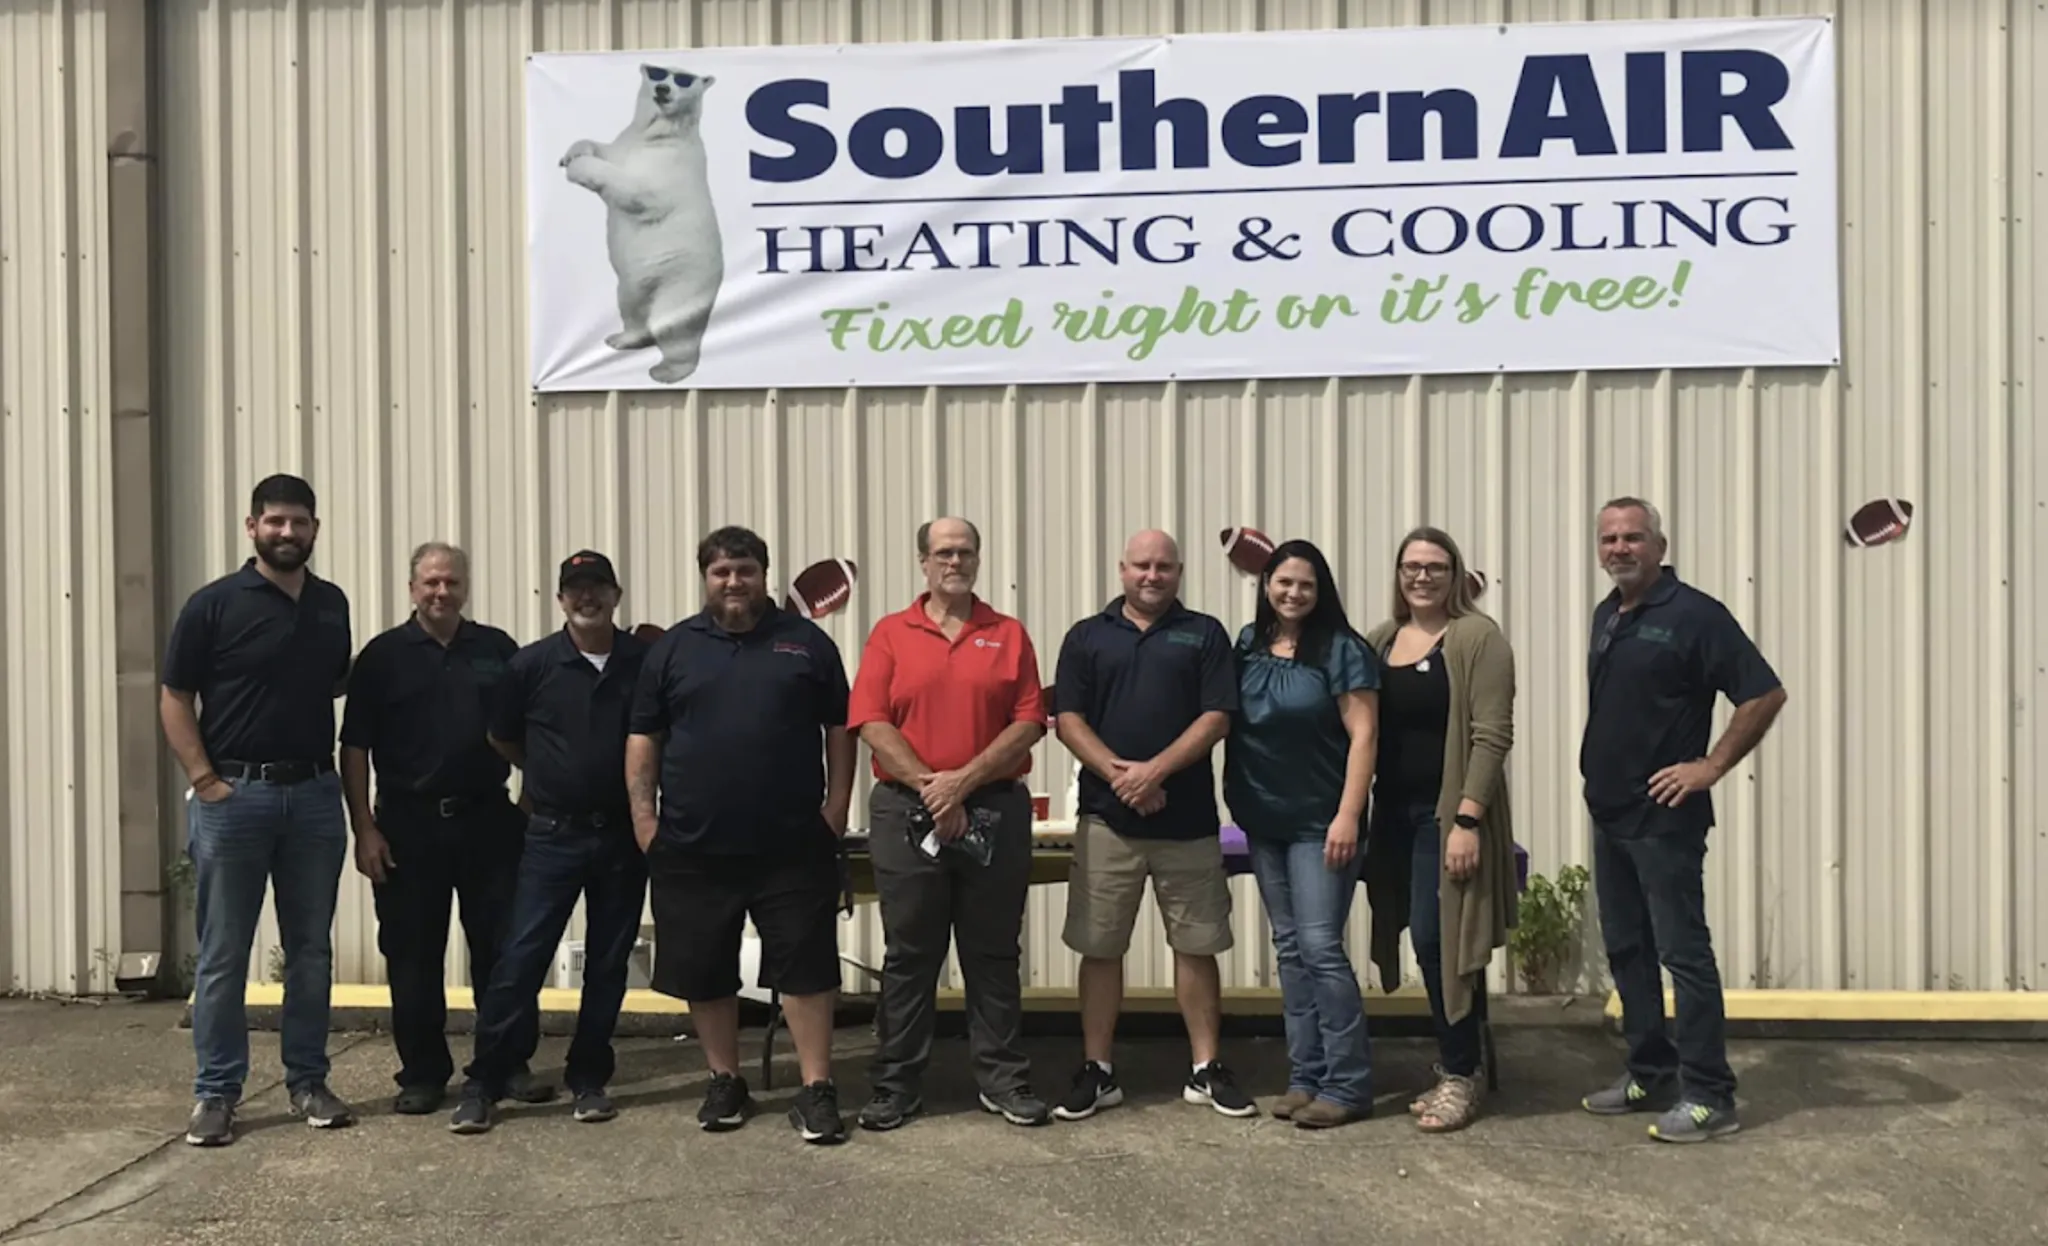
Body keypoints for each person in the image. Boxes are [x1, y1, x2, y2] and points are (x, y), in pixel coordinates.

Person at [626, 526, 857, 1145]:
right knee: (706, 971)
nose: (734, 582)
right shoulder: (673, 650)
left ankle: (816, 1088)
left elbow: (841, 727)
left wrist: (835, 808)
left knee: (807, 969)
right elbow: (644, 737)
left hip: (792, 844)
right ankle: (725, 1079)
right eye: (722, 571)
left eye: (746, 570)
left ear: (764, 575)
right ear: (706, 577)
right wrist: (645, 821)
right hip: (694, 845)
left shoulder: (806, 643)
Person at [1578, 498, 1786, 1144]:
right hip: (1611, 813)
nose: (1620, 548)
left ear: (1659, 547)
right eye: (1609, 538)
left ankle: (1709, 1094)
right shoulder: (1608, 614)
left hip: (1664, 820)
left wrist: (1711, 766)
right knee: (1627, 949)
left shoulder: (1696, 615)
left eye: (1633, 537)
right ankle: (1650, 1071)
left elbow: (1764, 692)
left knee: (1683, 955)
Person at [160, 473, 356, 1146]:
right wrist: (204, 778)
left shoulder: (331, 603)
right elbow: (175, 696)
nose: (287, 532)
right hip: (235, 798)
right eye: (274, 521)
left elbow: (334, 681)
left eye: (298, 521)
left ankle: (308, 1082)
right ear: (252, 528)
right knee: (223, 953)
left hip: (314, 796)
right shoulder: (213, 605)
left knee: (311, 951)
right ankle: (216, 1094)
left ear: (315, 530)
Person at [845, 517, 1050, 1131]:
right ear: (923, 562)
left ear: (978, 560)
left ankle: (1004, 1080)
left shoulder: (1008, 634)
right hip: (905, 809)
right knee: (911, 951)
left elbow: (1029, 721)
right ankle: (896, 1084)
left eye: (964, 552)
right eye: (942, 553)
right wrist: (934, 788)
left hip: (994, 808)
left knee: (993, 951)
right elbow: (871, 720)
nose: (954, 562)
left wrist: (962, 782)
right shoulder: (890, 633)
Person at [338, 541, 552, 1115]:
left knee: (504, 952)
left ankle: (508, 1064)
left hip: (488, 821)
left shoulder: (497, 650)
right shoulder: (382, 657)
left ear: (465, 587)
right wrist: (364, 829)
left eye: (452, 582)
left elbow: (532, 728)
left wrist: (530, 802)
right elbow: (354, 748)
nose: (441, 592)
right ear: (412, 588)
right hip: (407, 828)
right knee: (412, 956)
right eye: (431, 582)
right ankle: (423, 1074)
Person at [1048, 529, 1254, 1121]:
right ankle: (1098, 1070)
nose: (1152, 576)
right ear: (1122, 569)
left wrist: (1155, 771)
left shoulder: (1205, 634)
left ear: (1179, 572)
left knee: (1196, 946)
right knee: (1100, 947)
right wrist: (1123, 779)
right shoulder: (1086, 637)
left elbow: (1217, 717)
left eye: (1164, 567)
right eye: (1142, 565)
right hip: (1107, 822)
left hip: (1187, 823)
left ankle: (1205, 1069)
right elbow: (1068, 719)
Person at [449, 550, 652, 1134]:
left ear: (616, 595)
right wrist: (544, 777)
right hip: (551, 835)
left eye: (598, 587)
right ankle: (484, 1081)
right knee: (519, 959)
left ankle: (588, 1078)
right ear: (560, 599)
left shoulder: (643, 662)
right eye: (576, 589)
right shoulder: (531, 665)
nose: (587, 598)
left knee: (608, 964)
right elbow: (502, 738)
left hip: (622, 836)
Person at [1360, 526, 1518, 1134]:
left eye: (1435, 567)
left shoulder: (1477, 638)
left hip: (1446, 815)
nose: (1422, 577)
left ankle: (1460, 1071)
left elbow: (1492, 734)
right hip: (1392, 815)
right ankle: (1461, 1061)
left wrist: (1467, 819)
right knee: (1426, 937)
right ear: (1398, 575)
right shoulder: (1381, 641)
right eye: (1412, 567)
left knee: (1441, 940)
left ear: (1455, 575)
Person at [1222, 537, 1380, 1129]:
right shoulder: (1247, 644)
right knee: (1289, 949)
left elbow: (1364, 737)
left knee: (1319, 948)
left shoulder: (1342, 650)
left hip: (1322, 822)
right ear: (1267, 585)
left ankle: (1348, 1082)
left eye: (1305, 584)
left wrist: (1348, 814)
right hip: (1264, 819)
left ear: (1321, 591)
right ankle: (1305, 1076)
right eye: (1283, 582)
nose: (1293, 593)